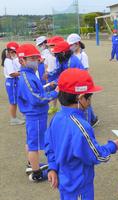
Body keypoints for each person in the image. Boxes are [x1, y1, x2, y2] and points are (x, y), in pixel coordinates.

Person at [45, 68, 118, 199]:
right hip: (79, 186)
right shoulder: (81, 126)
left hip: (65, 181)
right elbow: (97, 155)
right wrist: (113, 146)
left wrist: (52, 167)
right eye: (89, 97)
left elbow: (49, 145)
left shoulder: (57, 118)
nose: (90, 101)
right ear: (80, 98)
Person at [16, 44, 58, 181]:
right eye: (32, 58)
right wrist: (54, 94)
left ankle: (31, 164)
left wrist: (48, 87)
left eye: (36, 57)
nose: (36, 60)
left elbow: (38, 92)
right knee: (35, 145)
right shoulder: (26, 77)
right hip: (35, 114)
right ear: (22, 60)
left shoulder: (29, 74)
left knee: (31, 142)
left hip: (35, 114)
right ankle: (36, 173)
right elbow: (36, 98)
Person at [67, 33, 99, 127]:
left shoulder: (83, 55)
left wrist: (83, 84)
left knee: (86, 104)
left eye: (71, 45)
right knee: (83, 103)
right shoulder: (71, 55)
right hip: (76, 82)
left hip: (83, 82)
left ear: (77, 43)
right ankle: (93, 119)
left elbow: (85, 70)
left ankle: (88, 123)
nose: (70, 47)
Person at [1, 41, 25, 125]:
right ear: (11, 52)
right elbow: (12, 73)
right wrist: (23, 73)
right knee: (13, 101)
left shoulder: (11, 60)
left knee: (18, 98)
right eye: (15, 52)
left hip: (14, 81)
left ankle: (22, 115)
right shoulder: (8, 61)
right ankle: (13, 119)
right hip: (12, 82)